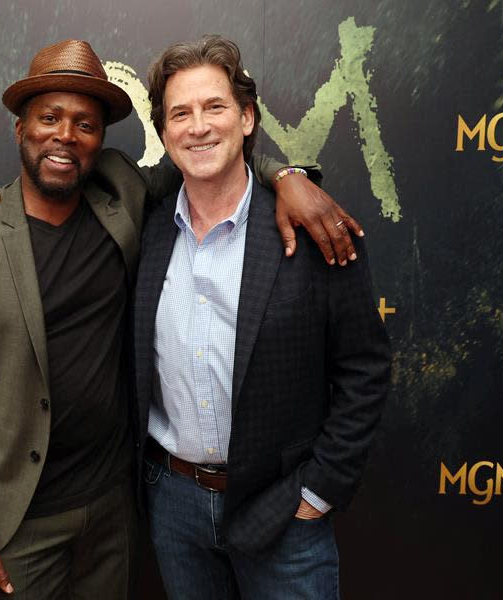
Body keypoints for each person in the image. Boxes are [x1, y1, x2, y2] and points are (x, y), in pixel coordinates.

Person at [0, 39, 361, 600]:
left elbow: (213, 159)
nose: (65, 136)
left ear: (101, 141)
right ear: (19, 127)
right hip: (13, 518)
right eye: (49, 118)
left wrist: (288, 174)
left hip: (113, 508)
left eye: (85, 124)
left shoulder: (121, 195)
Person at [131, 35, 391, 599]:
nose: (197, 126)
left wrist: (317, 493)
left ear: (247, 118)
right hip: (172, 503)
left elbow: (365, 369)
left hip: (282, 509)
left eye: (214, 107)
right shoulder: (144, 225)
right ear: (164, 131)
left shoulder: (314, 227)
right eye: (180, 113)